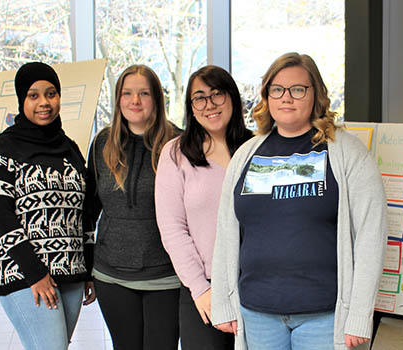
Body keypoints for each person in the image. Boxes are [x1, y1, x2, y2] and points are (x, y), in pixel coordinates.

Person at [210, 52, 386, 350]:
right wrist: (223, 304)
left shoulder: (347, 153)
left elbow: (371, 236)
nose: (286, 98)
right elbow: (227, 234)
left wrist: (359, 315)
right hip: (257, 312)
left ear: (315, 93)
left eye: (298, 89)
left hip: (323, 317)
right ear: (267, 96)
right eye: (277, 89)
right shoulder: (246, 154)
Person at [0, 62, 96, 349]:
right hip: (24, 272)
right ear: (22, 100)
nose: (44, 103)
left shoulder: (70, 149)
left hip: (70, 271)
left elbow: (85, 215)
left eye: (51, 93)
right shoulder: (3, 148)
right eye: (33, 96)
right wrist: (36, 274)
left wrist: (89, 270)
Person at [155, 65, 252, 350]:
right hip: (205, 286)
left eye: (217, 94)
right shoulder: (176, 153)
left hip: (257, 284)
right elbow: (173, 228)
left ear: (232, 97)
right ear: (191, 106)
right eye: (200, 97)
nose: (210, 104)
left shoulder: (258, 148)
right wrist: (201, 289)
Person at [84, 65, 180, 349]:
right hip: (111, 274)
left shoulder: (179, 144)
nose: (134, 101)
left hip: (166, 275)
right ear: (118, 99)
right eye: (127, 93)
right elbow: (90, 208)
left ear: (156, 99)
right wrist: (86, 267)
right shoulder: (103, 142)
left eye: (143, 93)